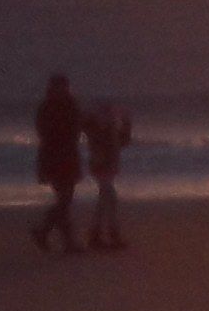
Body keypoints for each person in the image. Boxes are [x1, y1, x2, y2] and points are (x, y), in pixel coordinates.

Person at [30, 73, 84, 253]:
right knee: (64, 199)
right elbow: (45, 134)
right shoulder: (47, 108)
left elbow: (77, 128)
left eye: (65, 87)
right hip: (54, 158)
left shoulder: (70, 105)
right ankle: (47, 233)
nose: (64, 90)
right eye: (60, 87)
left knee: (65, 199)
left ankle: (55, 237)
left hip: (67, 156)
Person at [83, 99, 134, 252]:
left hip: (108, 166)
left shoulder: (109, 129)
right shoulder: (96, 130)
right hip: (101, 166)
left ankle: (97, 234)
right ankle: (108, 234)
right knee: (109, 197)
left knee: (105, 199)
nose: (109, 117)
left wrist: (126, 123)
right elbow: (86, 127)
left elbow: (123, 141)